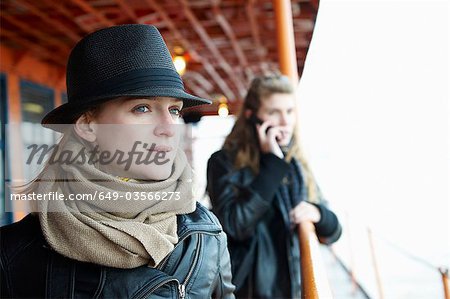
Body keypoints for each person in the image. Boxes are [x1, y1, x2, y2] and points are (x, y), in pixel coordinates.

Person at [0, 24, 234, 298]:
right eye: (142, 108)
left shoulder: (206, 234)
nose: (169, 127)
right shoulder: (13, 255)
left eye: (174, 110)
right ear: (88, 125)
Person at [206, 74, 342, 298]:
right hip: (249, 290)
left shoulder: (297, 162)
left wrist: (318, 213)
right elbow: (234, 225)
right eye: (274, 112)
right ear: (252, 115)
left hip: (294, 287)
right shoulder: (223, 162)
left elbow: (334, 231)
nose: (285, 121)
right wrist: (272, 164)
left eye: (289, 111)